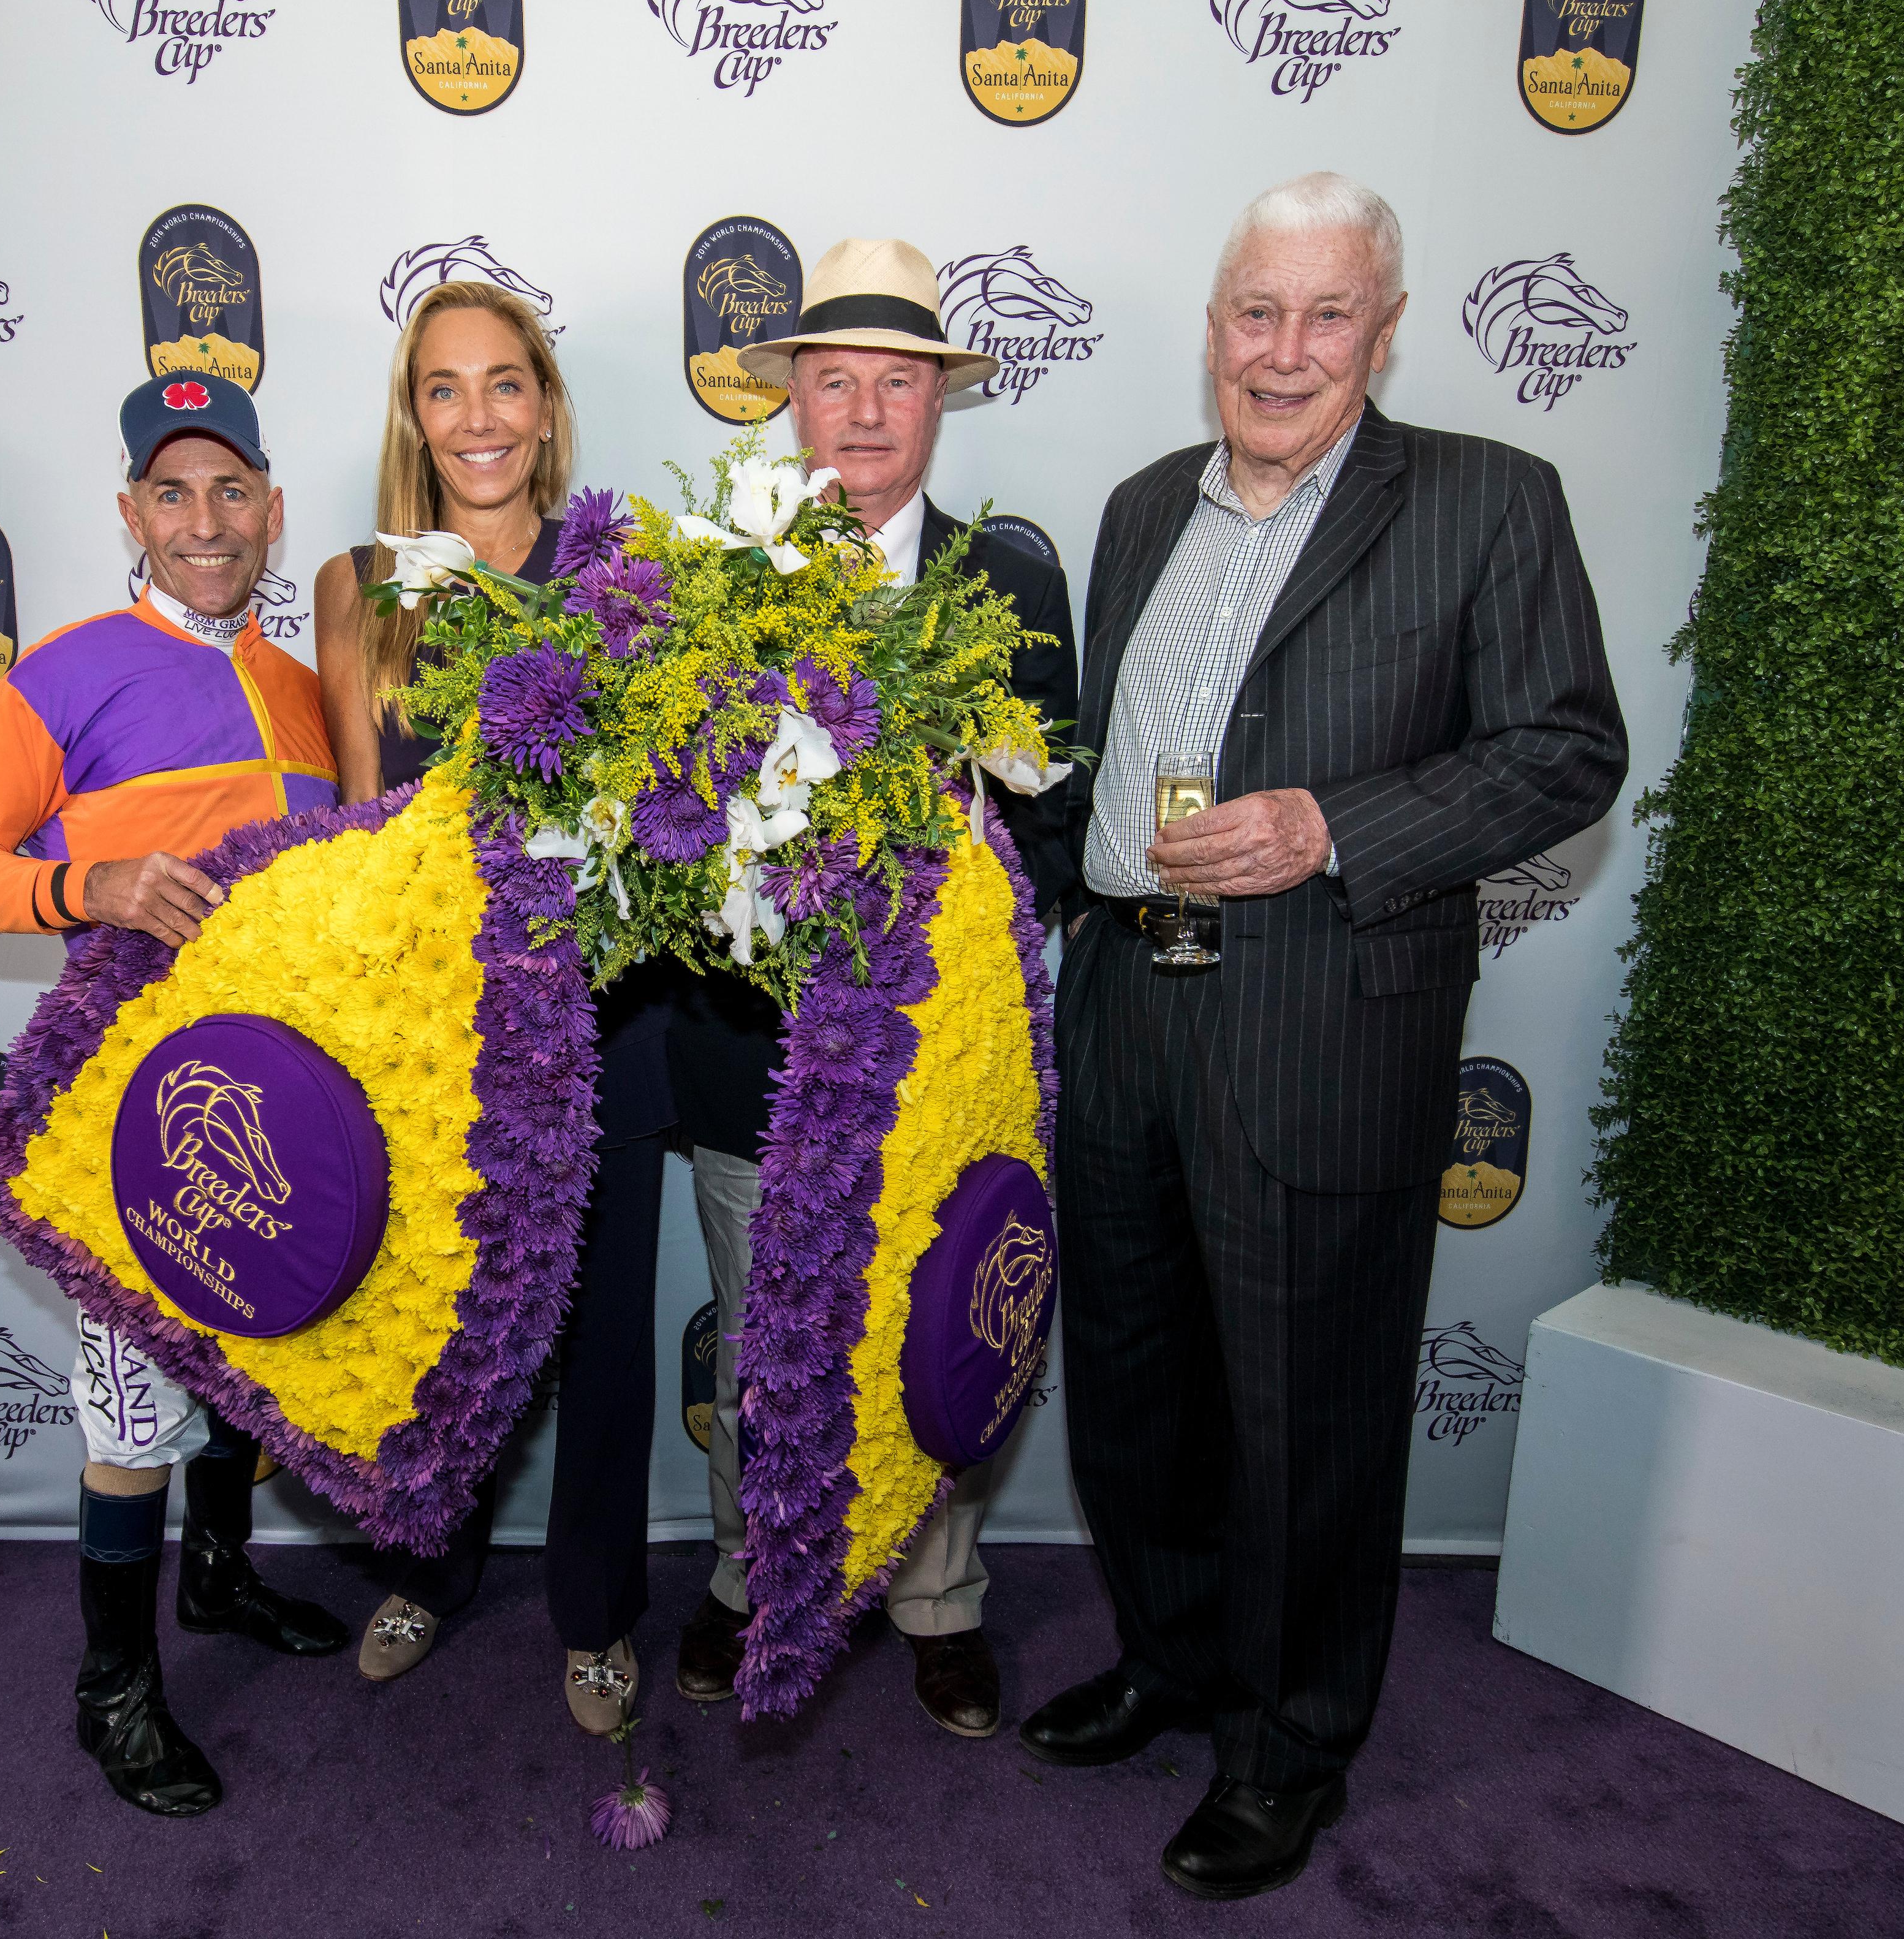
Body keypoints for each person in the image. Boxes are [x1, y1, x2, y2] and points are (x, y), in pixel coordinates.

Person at [1021, 173, 1626, 1899]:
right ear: (1214, 323)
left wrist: (1329, 825)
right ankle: (1172, 1657)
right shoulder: (1143, 506)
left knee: (1307, 1410)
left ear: (1387, 328)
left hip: (1319, 1024)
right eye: (1256, 311)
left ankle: (1288, 1747)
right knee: (1135, 1380)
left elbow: (1567, 751)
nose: (1284, 351)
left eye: (1327, 313)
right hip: (1131, 997)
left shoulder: (1490, 499)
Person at [0, 370, 351, 1819]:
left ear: (272, 509)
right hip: (133, 1111)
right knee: (131, 1405)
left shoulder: (308, 689)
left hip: (288, 1104)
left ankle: (219, 1576)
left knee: (247, 1360)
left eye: (230, 491)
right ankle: (114, 1687)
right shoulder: (66, 670)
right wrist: (81, 884)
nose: (204, 522)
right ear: (131, 511)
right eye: (174, 493)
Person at [661, 238, 1080, 1739]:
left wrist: (981, 863)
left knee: (943, 1319)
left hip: (942, 1045)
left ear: (939, 403)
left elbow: (1059, 820)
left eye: (897, 383)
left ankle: (937, 1598)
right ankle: (748, 1578)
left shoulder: (1012, 581)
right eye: (834, 381)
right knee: (762, 1331)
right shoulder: (714, 578)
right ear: (792, 401)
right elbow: (661, 810)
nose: (864, 411)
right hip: (754, 1048)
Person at [310, 283, 678, 1736]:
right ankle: (425, 1566)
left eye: (505, 383)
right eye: (445, 388)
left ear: (546, 406)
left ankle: (598, 1613)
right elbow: (360, 826)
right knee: (434, 1319)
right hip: (434, 1029)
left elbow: (665, 814)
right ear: (415, 417)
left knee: (604, 1335)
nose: (478, 418)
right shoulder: (359, 586)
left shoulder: (623, 574)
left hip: (605, 1019)